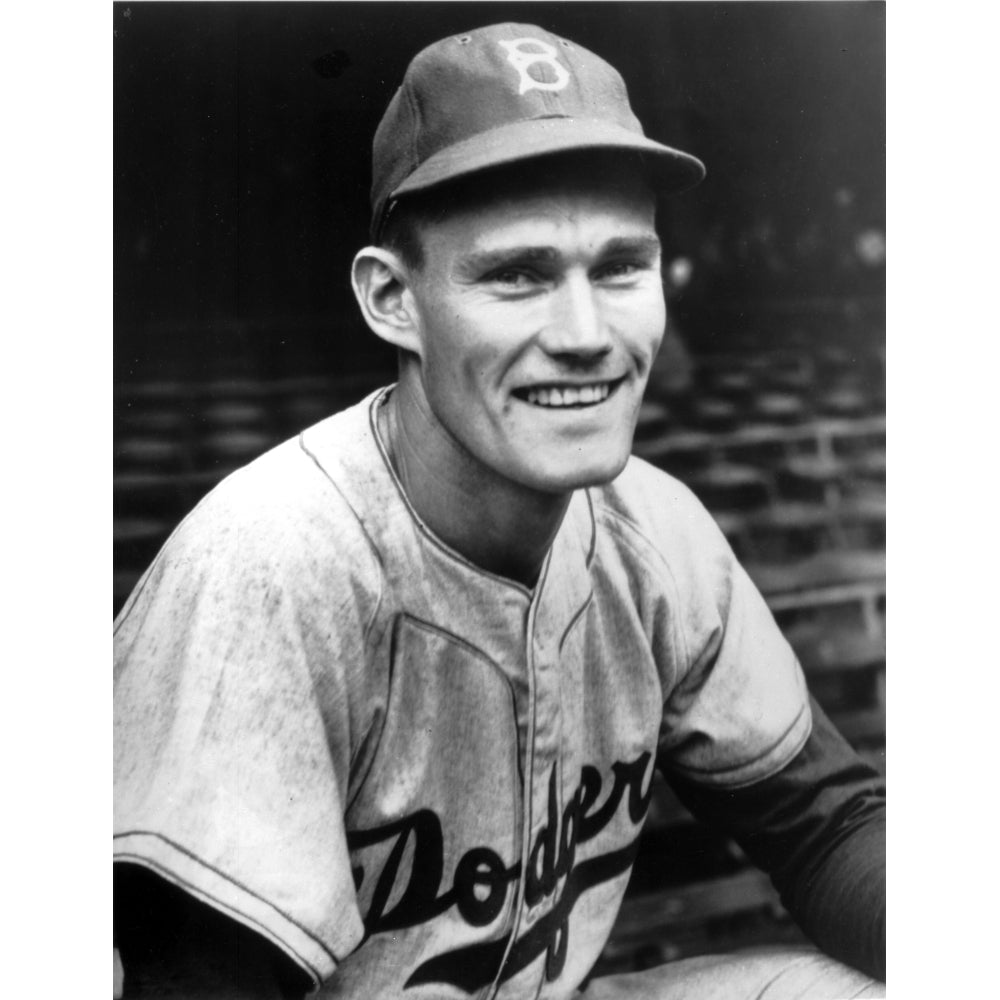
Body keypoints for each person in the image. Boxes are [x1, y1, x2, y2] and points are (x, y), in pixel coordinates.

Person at [113, 22, 885, 1000]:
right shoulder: (273, 562)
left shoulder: (657, 527)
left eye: (618, 266)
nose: (584, 333)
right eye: (516, 275)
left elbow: (825, 819)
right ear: (393, 299)